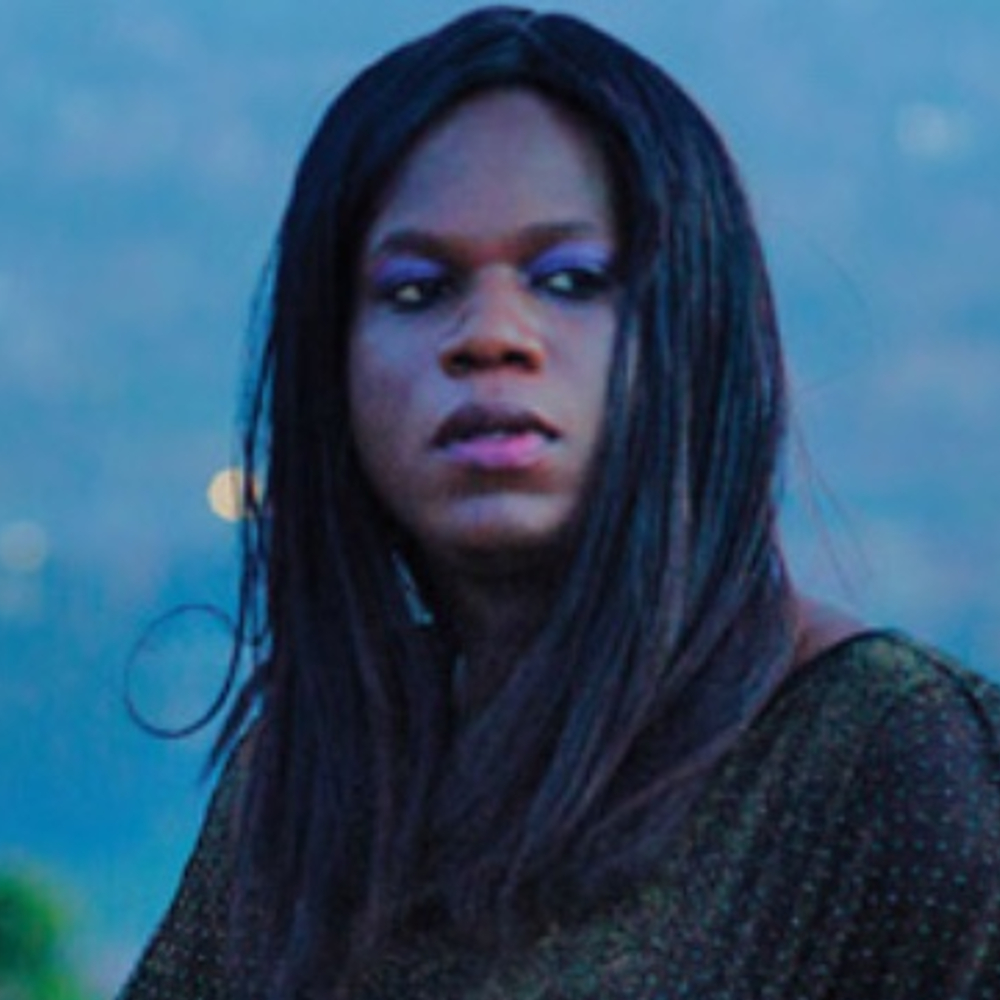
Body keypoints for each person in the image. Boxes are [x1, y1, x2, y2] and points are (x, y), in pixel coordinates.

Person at [118, 7, 1000, 999]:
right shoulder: (307, 784)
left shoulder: (892, 763)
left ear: (692, 334)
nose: (492, 334)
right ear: (333, 367)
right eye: (415, 289)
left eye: (571, 280)